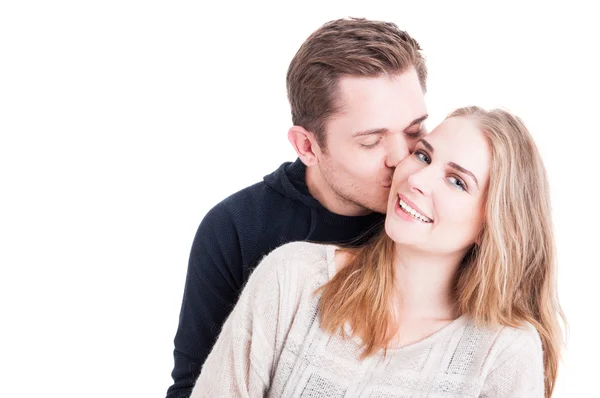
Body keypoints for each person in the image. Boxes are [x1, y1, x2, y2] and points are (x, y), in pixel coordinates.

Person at [191, 106, 566, 397]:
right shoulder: (293, 278)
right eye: (422, 155)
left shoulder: (503, 352)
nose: (417, 179)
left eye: (456, 181)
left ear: (492, 225)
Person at [167, 17, 429, 397]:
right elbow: (195, 386)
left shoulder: (439, 219)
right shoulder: (236, 228)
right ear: (307, 147)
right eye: (372, 141)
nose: (402, 158)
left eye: (414, 131)